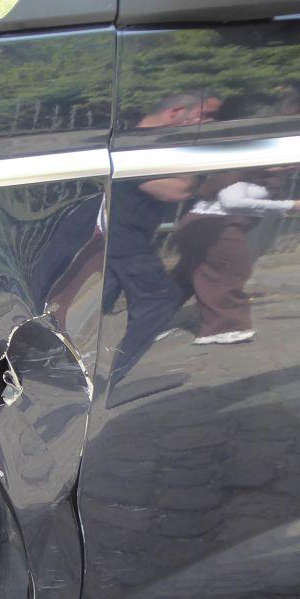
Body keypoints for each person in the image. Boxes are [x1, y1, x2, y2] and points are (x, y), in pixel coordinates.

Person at [104, 92, 222, 385]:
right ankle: (111, 375)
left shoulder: (140, 142)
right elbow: (175, 190)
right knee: (160, 300)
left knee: (96, 304)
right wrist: (200, 166)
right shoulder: (138, 145)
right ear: (176, 112)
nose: (210, 123)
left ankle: (71, 369)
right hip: (120, 238)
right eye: (205, 115)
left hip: (117, 238)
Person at [173, 169, 300, 344]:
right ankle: (223, 328)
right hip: (216, 227)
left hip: (207, 225)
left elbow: (248, 206)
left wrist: (289, 208)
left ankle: (157, 316)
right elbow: (232, 202)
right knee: (227, 274)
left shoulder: (259, 176)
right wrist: (289, 206)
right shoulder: (240, 173)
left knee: (191, 275)